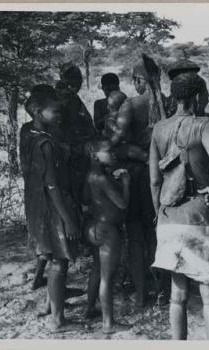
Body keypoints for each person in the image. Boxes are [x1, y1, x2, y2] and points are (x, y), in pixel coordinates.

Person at [149, 72, 209, 340]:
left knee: (178, 293)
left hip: (169, 216)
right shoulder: (204, 124)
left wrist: (158, 213)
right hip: (199, 213)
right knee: (208, 292)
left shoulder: (159, 128)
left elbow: (153, 179)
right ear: (198, 97)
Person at [20, 89, 82, 332]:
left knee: (53, 254)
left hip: (37, 206)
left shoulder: (29, 133)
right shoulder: (46, 144)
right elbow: (52, 185)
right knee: (59, 261)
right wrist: (69, 219)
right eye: (55, 111)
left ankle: (49, 305)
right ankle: (58, 320)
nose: (59, 115)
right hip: (53, 208)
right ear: (38, 112)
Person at [114, 59, 164, 309]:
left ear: (138, 81)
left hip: (136, 177)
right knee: (157, 233)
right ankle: (162, 288)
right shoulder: (171, 102)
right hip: (164, 175)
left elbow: (116, 140)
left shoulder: (131, 104)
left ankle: (142, 294)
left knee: (135, 237)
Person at [82, 139, 131, 334]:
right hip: (107, 229)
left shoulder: (91, 176)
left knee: (96, 269)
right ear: (95, 155)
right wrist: (126, 184)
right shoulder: (101, 178)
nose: (113, 155)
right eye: (108, 151)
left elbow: (86, 200)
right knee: (107, 278)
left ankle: (89, 308)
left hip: (93, 227)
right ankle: (108, 324)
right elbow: (122, 204)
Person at [20, 84, 58, 291]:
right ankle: (52, 290)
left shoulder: (26, 130)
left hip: (32, 188)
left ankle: (39, 279)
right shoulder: (44, 137)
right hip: (45, 191)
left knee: (40, 232)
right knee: (50, 236)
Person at [55, 63, 97, 205]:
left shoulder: (58, 95)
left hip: (68, 149)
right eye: (77, 80)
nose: (79, 83)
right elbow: (73, 125)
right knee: (79, 192)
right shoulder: (69, 99)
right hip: (75, 150)